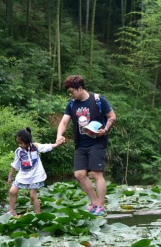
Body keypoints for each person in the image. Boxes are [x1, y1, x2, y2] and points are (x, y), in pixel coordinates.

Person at [56, 75, 117, 216]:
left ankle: (101, 206)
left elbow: (112, 116)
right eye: (69, 92)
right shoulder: (72, 104)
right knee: (79, 174)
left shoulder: (98, 100)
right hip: (80, 144)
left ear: (80, 88)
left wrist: (106, 130)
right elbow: (64, 122)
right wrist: (59, 135)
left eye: (72, 91)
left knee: (96, 173)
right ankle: (94, 202)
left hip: (97, 143)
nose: (70, 94)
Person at [7, 128, 62, 215]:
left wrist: (56, 144)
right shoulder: (18, 151)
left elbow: (46, 147)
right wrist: (10, 176)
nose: (19, 145)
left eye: (21, 143)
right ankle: (12, 211)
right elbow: (15, 164)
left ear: (27, 141)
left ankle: (38, 215)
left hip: (35, 176)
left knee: (33, 196)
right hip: (23, 175)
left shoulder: (35, 147)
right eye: (18, 143)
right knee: (12, 191)